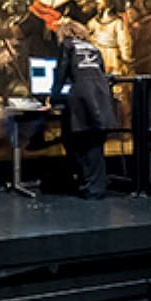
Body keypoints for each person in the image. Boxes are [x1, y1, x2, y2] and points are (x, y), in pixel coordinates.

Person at [52, 18, 117, 199]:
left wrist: (53, 96)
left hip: (82, 96)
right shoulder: (94, 48)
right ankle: (96, 186)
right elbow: (101, 72)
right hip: (102, 95)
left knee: (75, 140)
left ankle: (89, 187)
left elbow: (61, 71)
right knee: (95, 143)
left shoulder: (67, 45)